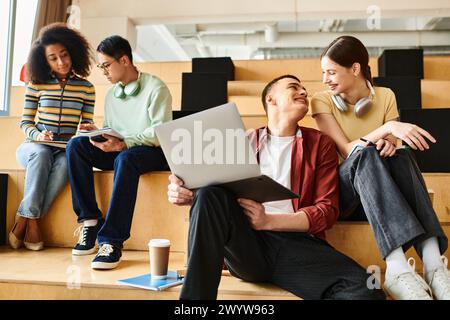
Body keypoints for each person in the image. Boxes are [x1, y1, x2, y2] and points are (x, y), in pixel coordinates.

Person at [167, 75, 386, 300]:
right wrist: (186, 193)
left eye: (304, 89)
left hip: (297, 244)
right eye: (294, 87)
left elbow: (327, 210)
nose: (304, 92)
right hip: (246, 244)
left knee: (367, 291)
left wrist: (268, 221)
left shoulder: (320, 144)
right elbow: (213, 199)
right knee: (207, 194)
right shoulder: (241, 141)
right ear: (271, 99)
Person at [311, 35, 450, 300]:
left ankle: (434, 266)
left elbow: (391, 145)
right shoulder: (321, 101)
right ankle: (397, 268)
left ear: (355, 69)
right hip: (343, 193)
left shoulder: (386, 96)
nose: (325, 79)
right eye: (323, 73)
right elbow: (346, 149)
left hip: (380, 192)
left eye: (331, 72)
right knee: (365, 155)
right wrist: (387, 129)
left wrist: (391, 144)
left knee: (400, 156)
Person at [66, 35, 172, 270]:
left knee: (125, 158)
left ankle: (111, 241)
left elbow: (159, 134)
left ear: (124, 60)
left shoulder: (156, 87)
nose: (103, 72)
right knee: (76, 146)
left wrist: (124, 143)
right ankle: (90, 220)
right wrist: (98, 133)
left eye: (106, 65)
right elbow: (115, 129)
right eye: (101, 66)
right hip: (121, 149)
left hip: (151, 152)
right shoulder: (113, 94)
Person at [10, 23, 95, 251]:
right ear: (44, 60)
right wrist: (39, 134)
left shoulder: (86, 88)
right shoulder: (36, 85)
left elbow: (85, 123)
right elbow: (25, 122)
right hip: (33, 147)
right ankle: (34, 222)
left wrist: (89, 129)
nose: (61, 62)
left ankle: (24, 219)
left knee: (68, 162)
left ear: (73, 52)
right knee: (41, 153)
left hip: (65, 147)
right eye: (53, 58)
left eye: (64, 55)